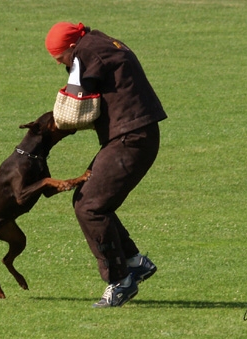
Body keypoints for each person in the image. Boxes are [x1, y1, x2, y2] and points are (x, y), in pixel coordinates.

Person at [45, 22, 168, 308]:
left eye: (60, 57)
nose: (60, 63)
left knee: (90, 206)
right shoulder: (96, 43)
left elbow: (73, 103)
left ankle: (121, 281)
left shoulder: (86, 55)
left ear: (71, 48)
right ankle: (133, 262)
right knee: (87, 200)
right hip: (135, 133)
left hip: (131, 138)